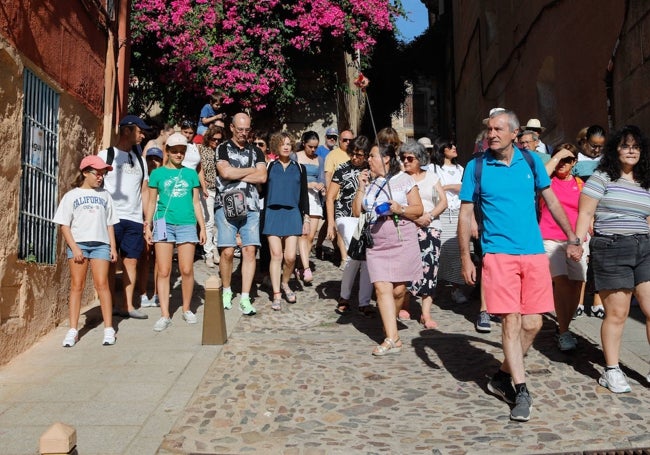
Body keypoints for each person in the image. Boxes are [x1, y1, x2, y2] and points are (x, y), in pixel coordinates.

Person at [458, 109, 582, 422]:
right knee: (511, 322)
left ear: (515, 133)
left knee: (534, 324)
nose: (492, 134)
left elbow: (551, 200)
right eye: (489, 129)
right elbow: (465, 214)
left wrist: (571, 235)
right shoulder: (476, 167)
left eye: (499, 129)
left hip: (533, 252)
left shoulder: (531, 163)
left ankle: (501, 375)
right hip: (498, 254)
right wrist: (464, 257)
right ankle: (520, 388)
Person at [574, 125, 650, 393]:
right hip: (612, 246)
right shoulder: (602, 177)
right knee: (619, 313)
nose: (632, 151)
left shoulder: (644, 182)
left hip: (644, 247)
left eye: (636, 146)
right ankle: (612, 369)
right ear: (615, 149)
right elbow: (585, 214)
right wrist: (576, 243)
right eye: (626, 145)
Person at [352, 142, 424, 356]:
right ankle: (392, 338)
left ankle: (389, 324)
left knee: (398, 290)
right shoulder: (371, 184)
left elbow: (418, 209)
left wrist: (399, 208)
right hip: (377, 242)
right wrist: (361, 186)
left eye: (372, 156)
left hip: (401, 237)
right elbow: (358, 212)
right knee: (382, 287)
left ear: (385, 159)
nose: (368, 160)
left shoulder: (403, 180)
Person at [53, 155, 119, 347]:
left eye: (103, 173)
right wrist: (74, 248)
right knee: (77, 286)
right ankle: (73, 330)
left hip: (101, 245)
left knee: (102, 285)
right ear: (84, 173)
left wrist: (113, 247)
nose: (100, 177)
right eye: (97, 173)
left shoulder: (105, 195)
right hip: (79, 245)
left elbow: (109, 224)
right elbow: (64, 225)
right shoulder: (71, 196)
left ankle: (108, 328)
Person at [144, 133, 206, 332]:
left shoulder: (190, 174)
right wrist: (147, 225)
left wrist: (202, 226)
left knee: (187, 269)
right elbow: (152, 201)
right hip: (163, 222)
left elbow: (196, 202)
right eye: (175, 151)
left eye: (182, 151)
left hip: (187, 222)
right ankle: (164, 313)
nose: (179, 154)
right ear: (167, 152)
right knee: (163, 270)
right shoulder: (157, 174)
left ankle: (187, 308)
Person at [98, 115, 150, 320]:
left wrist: (147, 219)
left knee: (131, 261)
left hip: (134, 219)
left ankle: (128, 305)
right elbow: (98, 184)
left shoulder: (140, 161)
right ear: (127, 130)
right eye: (140, 131)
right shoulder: (106, 155)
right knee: (111, 261)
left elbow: (144, 191)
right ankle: (109, 305)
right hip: (112, 218)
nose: (142, 135)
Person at [215, 113, 268, 315]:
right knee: (227, 251)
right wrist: (249, 172)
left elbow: (262, 176)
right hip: (227, 205)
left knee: (250, 251)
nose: (244, 134)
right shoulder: (222, 148)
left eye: (247, 130)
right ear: (231, 128)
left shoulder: (257, 151)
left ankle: (245, 297)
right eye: (240, 130)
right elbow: (225, 173)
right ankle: (227, 290)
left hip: (252, 205)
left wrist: (237, 171)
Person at [538, 143, 588, 351]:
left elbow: (587, 210)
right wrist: (558, 156)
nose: (563, 164)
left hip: (576, 241)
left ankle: (563, 326)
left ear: (575, 162)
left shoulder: (580, 184)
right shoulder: (546, 181)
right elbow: (542, 172)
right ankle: (564, 331)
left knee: (577, 284)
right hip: (550, 238)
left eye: (568, 160)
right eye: (560, 159)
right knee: (563, 283)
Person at [325, 135, 374, 317]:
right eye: (352, 154)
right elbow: (330, 197)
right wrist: (330, 223)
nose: (355, 158)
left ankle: (361, 301)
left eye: (359, 155)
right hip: (345, 217)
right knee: (355, 255)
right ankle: (346, 297)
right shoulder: (342, 169)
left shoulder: (371, 170)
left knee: (365, 259)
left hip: (365, 217)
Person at [402, 141, 447, 329]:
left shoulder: (432, 177)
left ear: (419, 159)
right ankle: (404, 303)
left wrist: (429, 216)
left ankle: (425, 313)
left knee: (430, 269)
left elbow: (443, 202)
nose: (405, 161)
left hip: (430, 226)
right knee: (406, 267)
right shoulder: (400, 179)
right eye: (403, 158)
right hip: (407, 226)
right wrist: (415, 218)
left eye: (409, 158)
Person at [262, 132, 309, 310]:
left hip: (292, 213)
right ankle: (276, 294)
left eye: (289, 143)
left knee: (290, 257)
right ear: (276, 146)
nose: (286, 146)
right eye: (282, 144)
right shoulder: (269, 166)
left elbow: (304, 195)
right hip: (272, 213)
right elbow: (262, 191)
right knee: (276, 255)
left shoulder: (299, 167)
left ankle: (285, 282)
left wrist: (306, 217)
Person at [572, 125, 607, 319]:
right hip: (581, 213)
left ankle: (597, 302)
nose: (596, 150)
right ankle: (578, 301)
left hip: (602, 213)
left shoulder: (606, 161)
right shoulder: (575, 159)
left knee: (599, 260)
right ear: (584, 142)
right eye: (593, 146)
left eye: (600, 147)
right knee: (582, 260)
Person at [430, 139, 470, 306]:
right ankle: (434, 287)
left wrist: (446, 187)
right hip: (441, 214)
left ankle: (456, 287)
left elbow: (465, 187)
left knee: (456, 252)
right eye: (450, 146)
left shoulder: (461, 169)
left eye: (454, 145)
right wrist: (450, 187)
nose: (454, 148)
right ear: (442, 149)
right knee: (439, 252)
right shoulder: (433, 169)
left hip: (457, 213)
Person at [295, 131, 326, 283]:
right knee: (303, 234)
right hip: (300, 197)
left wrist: (322, 187)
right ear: (303, 144)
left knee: (311, 236)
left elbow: (322, 178)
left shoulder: (319, 160)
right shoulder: (296, 157)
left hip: (314, 199)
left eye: (315, 147)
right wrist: (309, 184)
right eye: (310, 147)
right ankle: (305, 267)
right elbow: (293, 180)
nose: (313, 150)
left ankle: (301, 264)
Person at [139, 147, 164, 307]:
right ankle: (142, 294)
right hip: (145, 219)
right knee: (145, 257)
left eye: (156, 159)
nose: (153, 162)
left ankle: (156, 294)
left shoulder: (163, 177)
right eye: (150, 158)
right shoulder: (143, 178)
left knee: (159, 258)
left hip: (161, 220)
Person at [198, 125, 225, 268]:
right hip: (207, 189)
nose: (216, 142)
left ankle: (215, 248)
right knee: (208, 221)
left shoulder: (222, 151)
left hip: (221, 189)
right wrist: (202, 185)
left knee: (218, 222)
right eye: (214, 139)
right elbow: (198, 169)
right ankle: (208, 252)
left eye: (219, 140)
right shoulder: (201, 149)